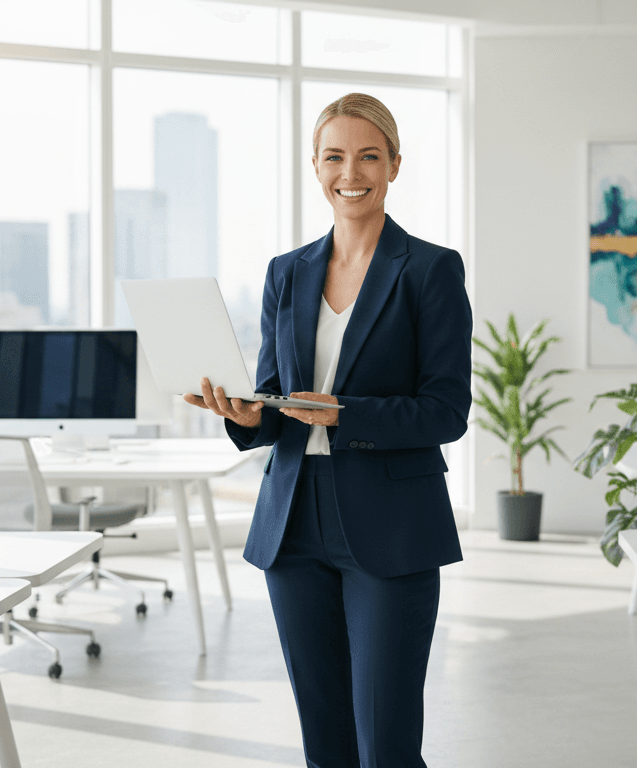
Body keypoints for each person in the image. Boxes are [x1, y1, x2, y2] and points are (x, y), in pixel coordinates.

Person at [184, 92, 472, 768]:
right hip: (293, 523)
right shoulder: (287, 273)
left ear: (395, 165)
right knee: (326, 745)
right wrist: (247, 415)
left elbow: (447, 411)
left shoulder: (430, 269)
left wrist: (347, 414)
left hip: (392, 521)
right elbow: (271, 395)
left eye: (369, 155)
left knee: (386, 746)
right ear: (315, 167)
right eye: (336, 156)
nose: (352, 171)